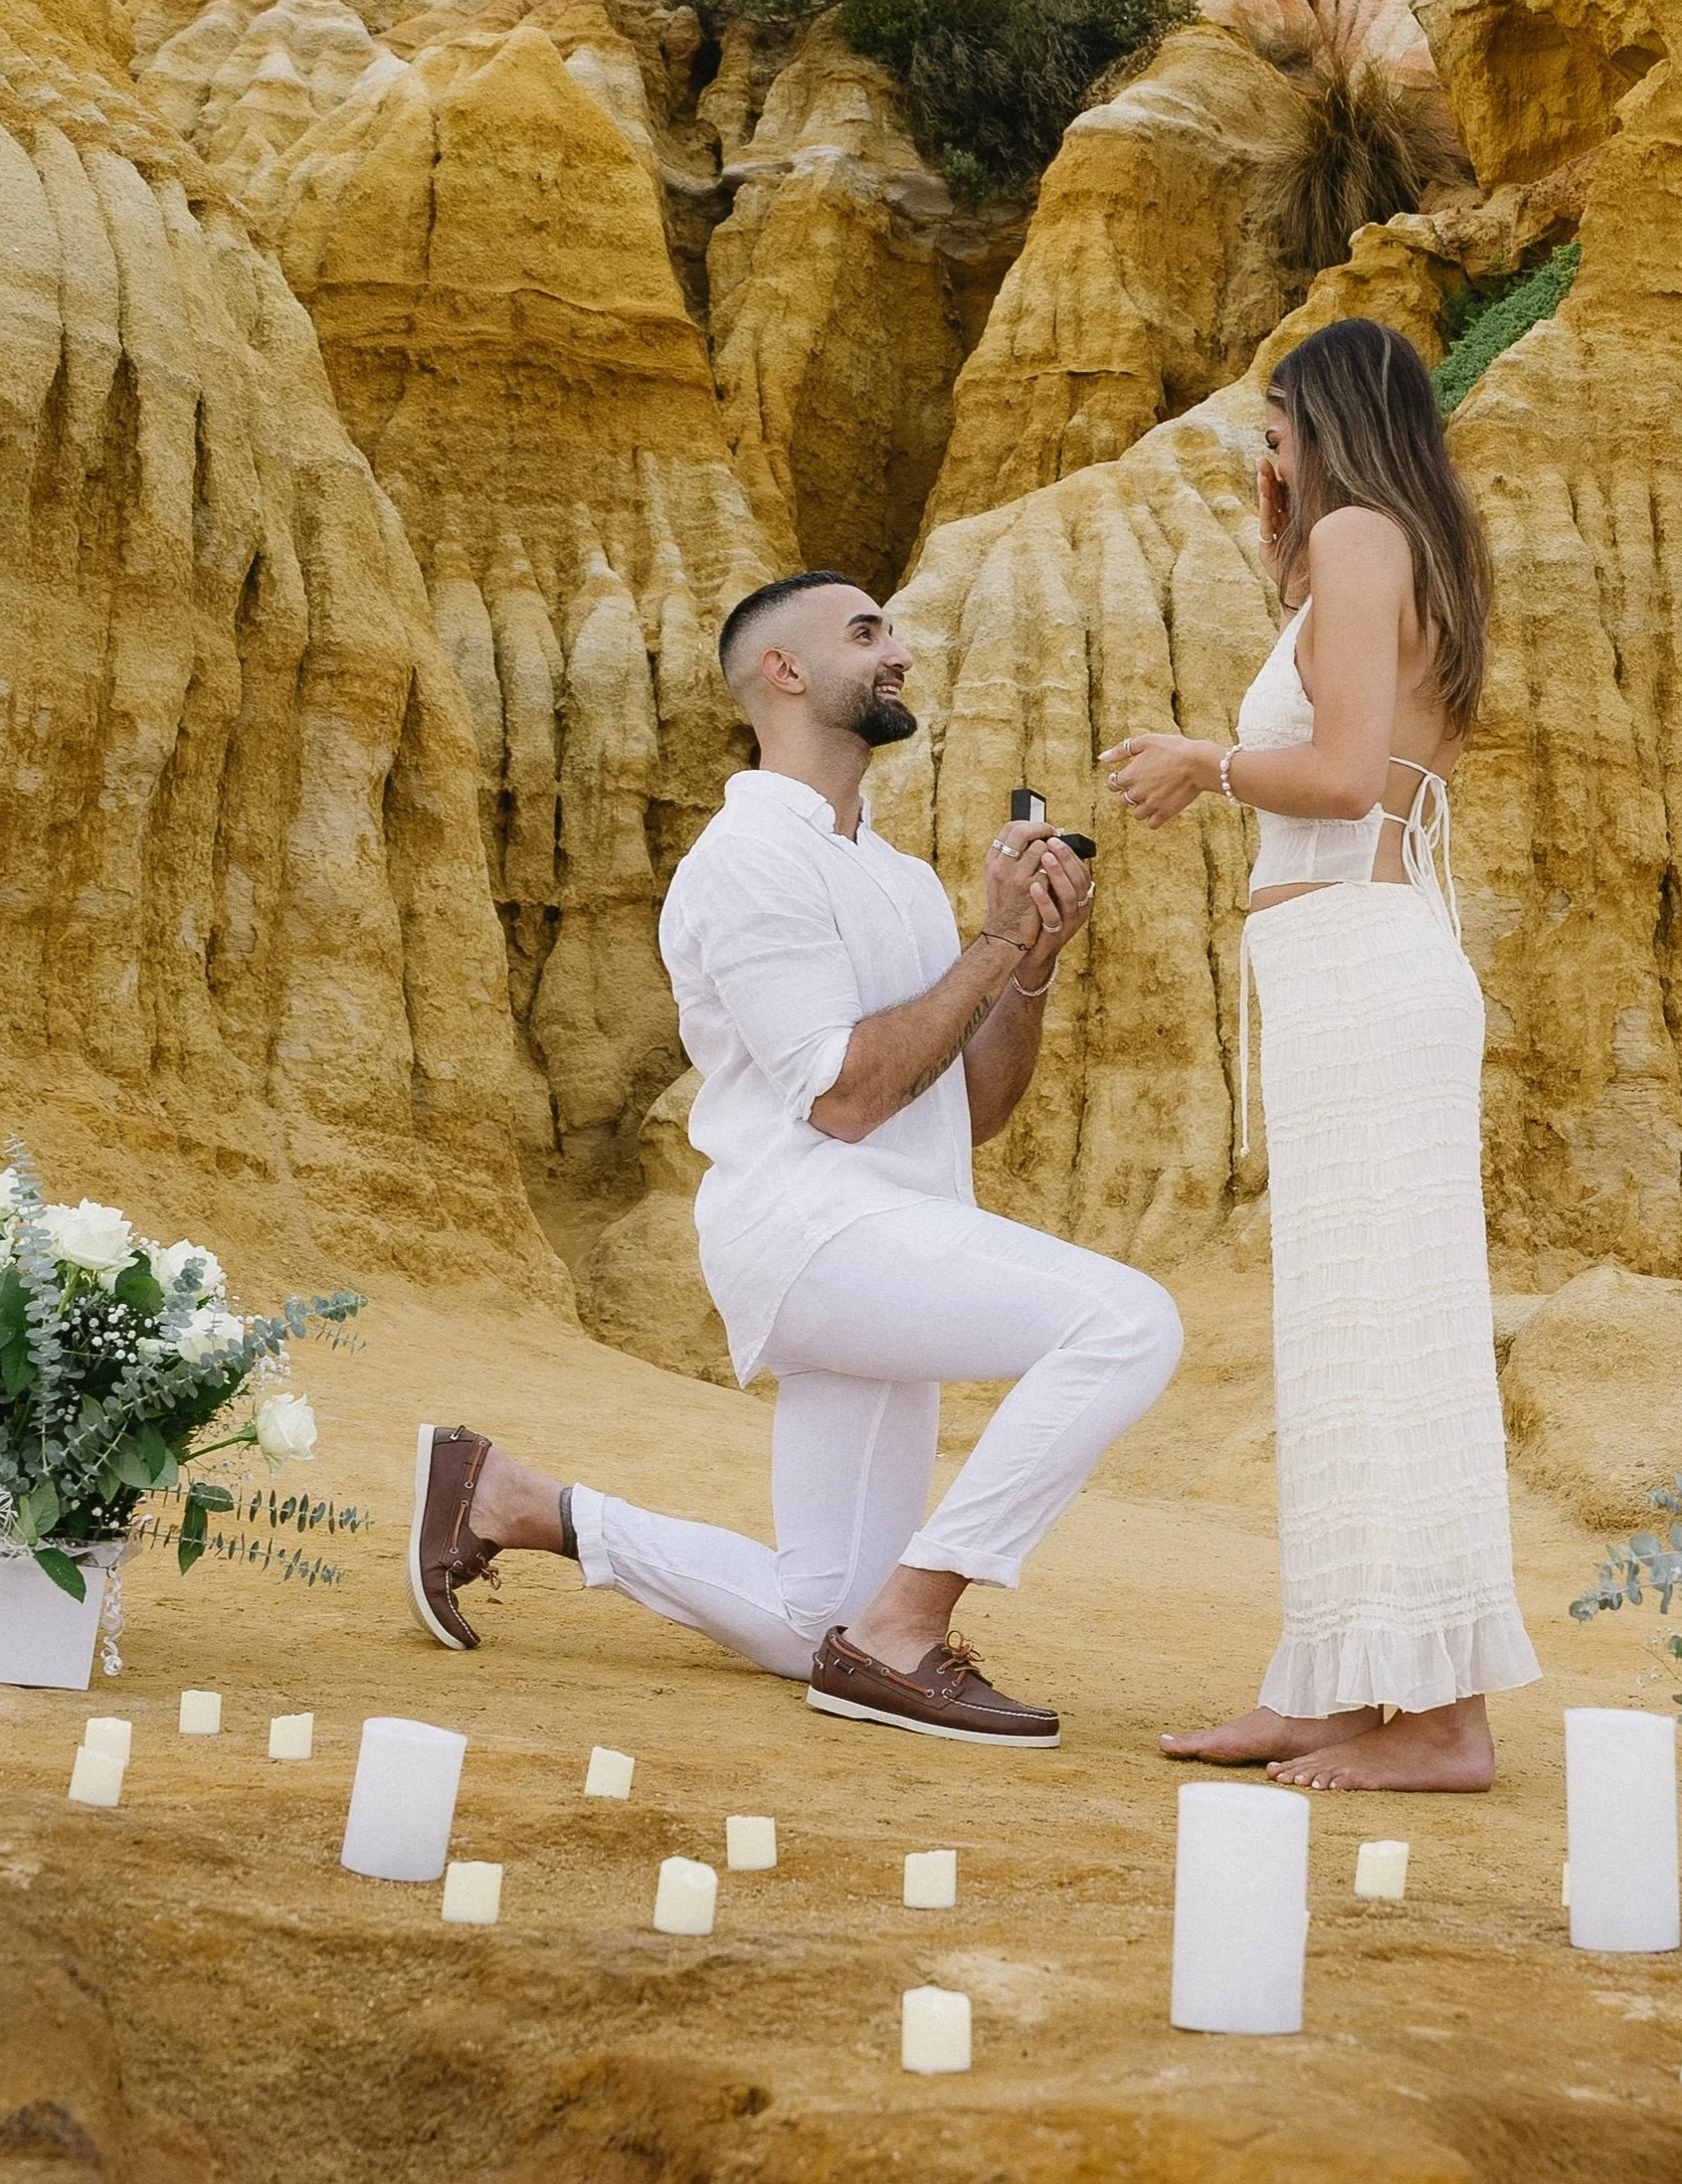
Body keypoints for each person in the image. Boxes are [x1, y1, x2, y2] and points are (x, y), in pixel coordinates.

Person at [409, 570, 1184, 1747]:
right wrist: (987, 943)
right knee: (1128, 1323)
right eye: (866, 633)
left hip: (896, 1236)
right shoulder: (746, 858)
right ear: (783, 670)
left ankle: (512, 1500)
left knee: (813, 1615)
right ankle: (911, 1624)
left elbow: (965, 1113)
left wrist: (1027, 961)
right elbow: (845, 1095)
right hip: (818, 1232)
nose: (898, 652)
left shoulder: (899, 877)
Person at [1102, 317, 1540, 1790]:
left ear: (1330, 424)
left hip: (1358, 961)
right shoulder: (1407, 547)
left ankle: (1444, 1719)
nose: (1269, 458)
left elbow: (1345, 775)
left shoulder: (1361, 537)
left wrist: (1201, 762)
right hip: (1358, 964)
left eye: (1279, 431)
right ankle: (1336, 1682)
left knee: (1379, 1336)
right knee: (1356, 1338)